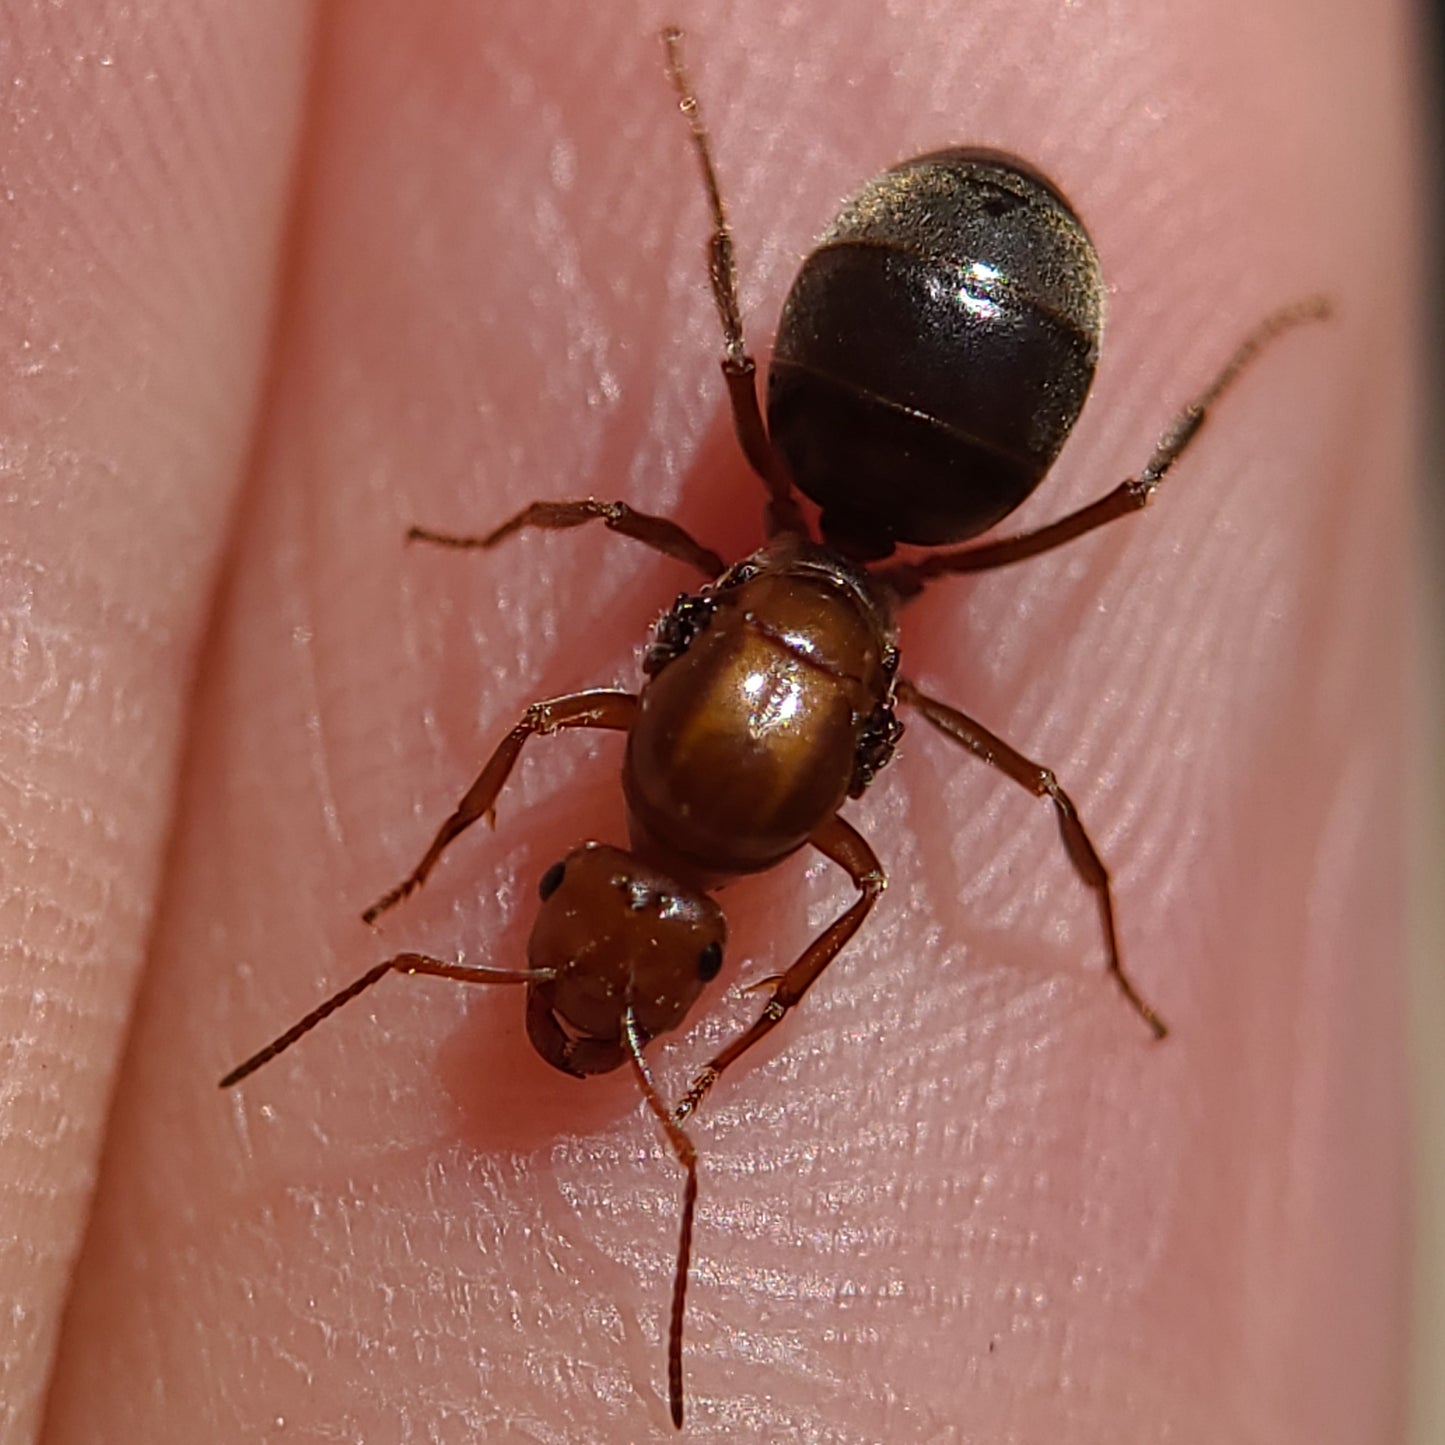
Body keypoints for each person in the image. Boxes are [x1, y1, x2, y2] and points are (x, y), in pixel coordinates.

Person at [9, 3, 1421, 1440]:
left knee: (1071, 654)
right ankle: (722, 147)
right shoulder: (708, 758)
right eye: (669, 944)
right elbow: (710, 788)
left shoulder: (658, 725)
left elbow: (598, 710)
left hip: (921, 343)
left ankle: (1238, 352)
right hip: (944, 398)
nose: (599, 928)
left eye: (566, 883)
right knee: (1031, 722)